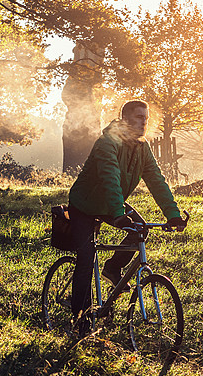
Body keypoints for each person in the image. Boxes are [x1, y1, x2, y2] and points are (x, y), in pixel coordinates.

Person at [67, 100, 186, 335]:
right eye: (139, 117)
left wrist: (172, 215)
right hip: (85, 205)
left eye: (146, 118)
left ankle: (112, 268)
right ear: (125, 120)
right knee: (86, 257)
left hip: (113, 204)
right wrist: (119, 215)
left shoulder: (142, 147)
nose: (144, 122)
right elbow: (110, 178)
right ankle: (80, 320)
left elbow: (156, 180)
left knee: (140, 230)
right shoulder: (107, 142)